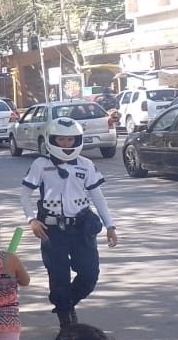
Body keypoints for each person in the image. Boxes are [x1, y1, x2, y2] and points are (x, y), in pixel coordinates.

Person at [21, 117, 119, 327]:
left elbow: (98, 197)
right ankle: (66, 321)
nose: (66, 144)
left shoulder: (86, 165)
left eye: (70, 140)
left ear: (77, 140)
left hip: (81, 228)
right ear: (52, 140)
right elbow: (25, 195)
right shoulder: (41, 165)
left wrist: (110, 226)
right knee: (58, 276)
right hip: (52, 230)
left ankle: (65, 304)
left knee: (89, 274)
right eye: (61, 140)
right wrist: (32, 220)